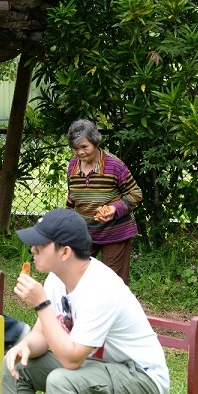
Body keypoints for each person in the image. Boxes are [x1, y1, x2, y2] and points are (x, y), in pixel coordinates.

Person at [1, 208, 169, 394]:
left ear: (65, 252)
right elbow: (41, 334)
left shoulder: (99, 289)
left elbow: (71, 360)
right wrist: (25, 345)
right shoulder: (56, 278)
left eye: (41, 244)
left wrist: (41, 305)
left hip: (140, 377)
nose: (33, 249)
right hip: (96, 367)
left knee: (62, 381)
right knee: (13, 364)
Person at [66, 119, 142, 285]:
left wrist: (114, 209)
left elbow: (135, 194)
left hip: (115, 232)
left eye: (84, 147)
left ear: (96, 142)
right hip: (84, 233)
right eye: (75, 148)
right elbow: (72, 196)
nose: (79, 152)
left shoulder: (115, 165)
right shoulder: (72, 165)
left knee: (112, 283)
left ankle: (115, 311)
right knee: (77, 278)